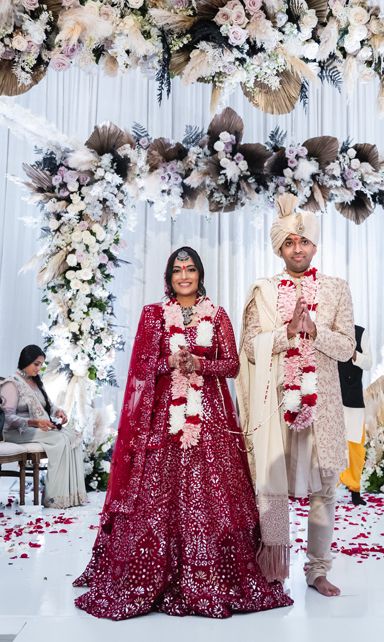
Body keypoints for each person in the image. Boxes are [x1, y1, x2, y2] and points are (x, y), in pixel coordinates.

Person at [74, 247, 292, 620]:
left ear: (200, 274)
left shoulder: (218, 314)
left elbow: (233, 366)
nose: (184, 275)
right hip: (163, 418)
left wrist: (200, 363)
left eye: (190, 269)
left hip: (208, 418)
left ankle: (216, 575)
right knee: (157, 492)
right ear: (169, 277)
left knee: (214, 493)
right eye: (178, 270)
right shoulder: (154, 316)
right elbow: (141, 366)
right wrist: (169, 361)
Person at [236, 194, 356, 597]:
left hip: (321, 407)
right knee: (271, 488)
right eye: (290, 242)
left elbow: (347, 349)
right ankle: (272, 568)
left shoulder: (337, 290)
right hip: (276, 407)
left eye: (304, 242)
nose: (298, 248)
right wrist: (286, 335)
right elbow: (250, 347)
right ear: (280, 248)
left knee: (324, 491)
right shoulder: (264, 292)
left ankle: (317, 571)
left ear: (314, 246)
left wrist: (315, 332)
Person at [0, 345, 88, 508]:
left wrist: (59, 412)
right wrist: (34, 422)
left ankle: (71, 495)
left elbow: (49, 406)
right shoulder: (11, 384)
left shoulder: (36, 383)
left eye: (41, 364)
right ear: (26, 361)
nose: (39, 368)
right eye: (36, 364)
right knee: (61, 438)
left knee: (74, 435)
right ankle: (55, 498)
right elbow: (7, 418)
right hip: (17, 431)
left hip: (36, 428)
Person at [339, 325, 372, 505]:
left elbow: (368, 363)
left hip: (352, 398)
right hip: (330, 398)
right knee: (329, 443)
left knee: (354, 446)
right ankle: (323, 490)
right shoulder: (326, 331)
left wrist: (353, 354)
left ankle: (355, 491)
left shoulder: (360, 333)